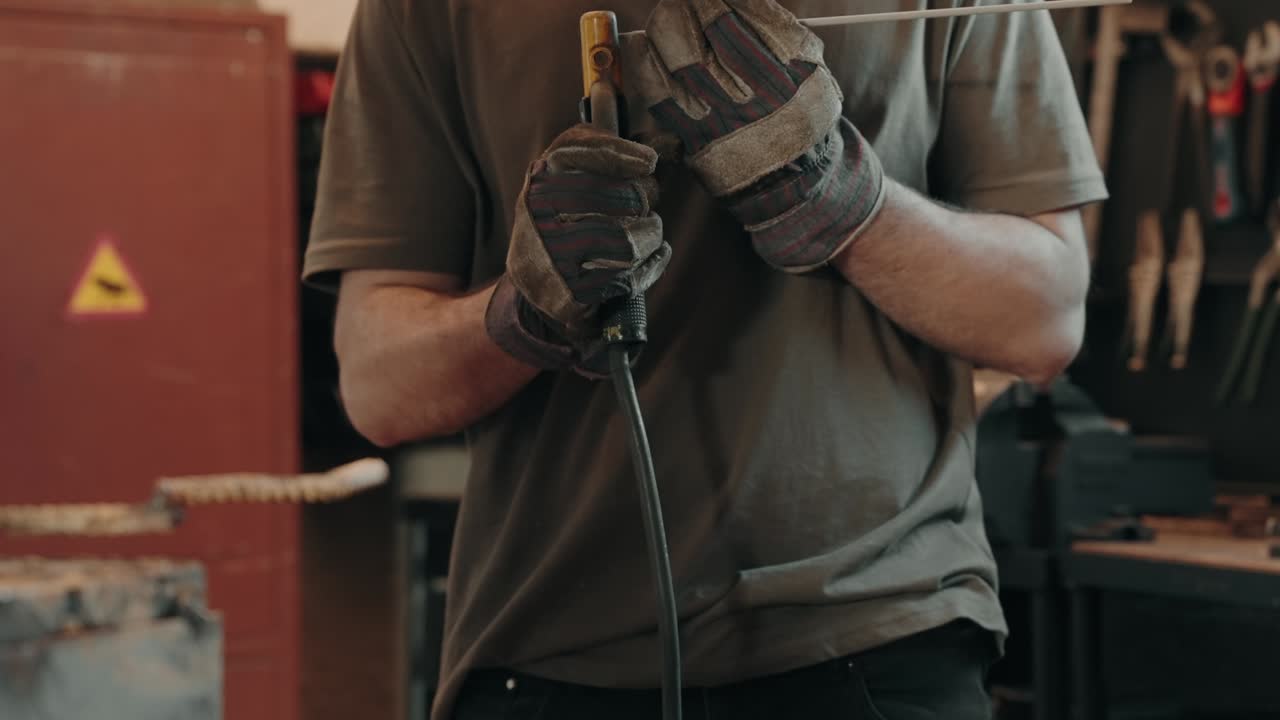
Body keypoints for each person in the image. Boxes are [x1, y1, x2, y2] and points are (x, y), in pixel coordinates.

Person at [303, 0, 1107, 717]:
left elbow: (1044, 320)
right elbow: (380, 385)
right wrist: (524, 313)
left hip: (881, 636)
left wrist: (846, 204)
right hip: (549, 653)